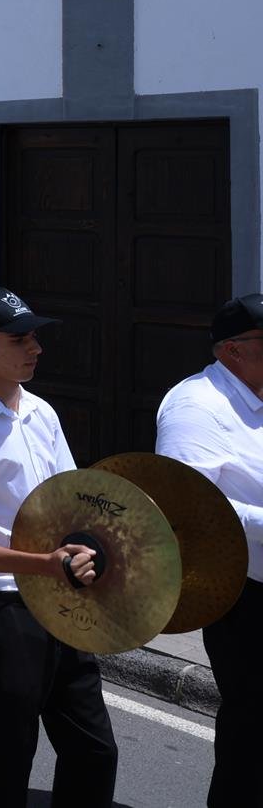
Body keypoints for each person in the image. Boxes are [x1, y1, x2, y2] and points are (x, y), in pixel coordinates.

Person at [0, 287, 116, 808]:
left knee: (93, 750)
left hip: (60, 601)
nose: (35, 348)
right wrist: (44, 564)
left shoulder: (42, 413)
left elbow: (73, 499)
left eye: (35, 337)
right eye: (18, 338)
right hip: (0, 610)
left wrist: (85, 552)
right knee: (8, 753)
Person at [157, 292, 263, 808]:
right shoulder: (195, 406)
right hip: (242, 593)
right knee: (251, 723)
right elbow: (190, 508)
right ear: (231, 350)